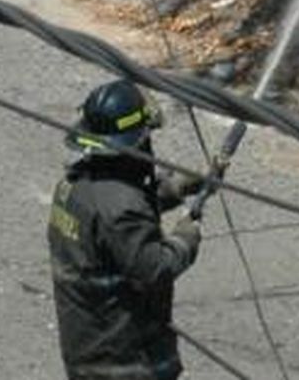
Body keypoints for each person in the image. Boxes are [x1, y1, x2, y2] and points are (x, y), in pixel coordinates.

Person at [49, 79, 204, 380]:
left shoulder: (73, 187)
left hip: (87, 353)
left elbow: (110, 227)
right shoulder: (122, 206)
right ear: (138, 139)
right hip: (126, 364)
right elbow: (156, 268)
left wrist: (174, 188)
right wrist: (187, 235)